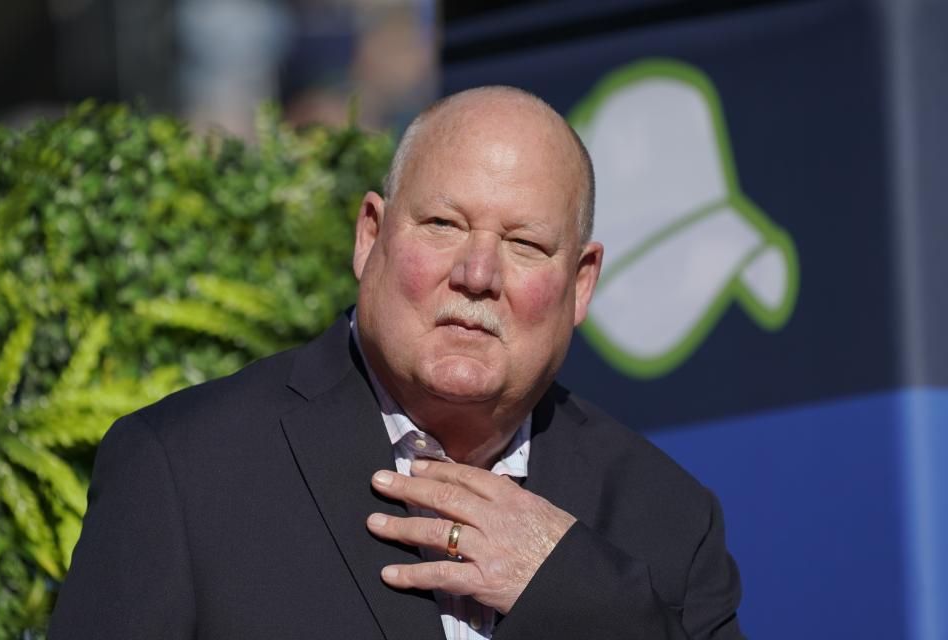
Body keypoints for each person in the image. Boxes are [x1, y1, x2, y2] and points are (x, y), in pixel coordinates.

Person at [50, 86, 743, 639]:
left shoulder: (669, 520)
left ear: (581, 284)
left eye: (525, 243)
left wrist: (567, 587)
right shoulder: (185, 471)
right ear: (369, 237)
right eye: (443, 225)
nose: (477, 274)